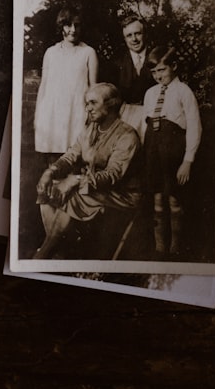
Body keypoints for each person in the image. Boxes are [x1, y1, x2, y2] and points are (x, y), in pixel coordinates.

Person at [33, 83, 142, 260]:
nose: (88, 108)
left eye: (93, 103)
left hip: (122, 193)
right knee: (48, 189)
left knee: (73, 193)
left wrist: (75, 180)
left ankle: (44, 255)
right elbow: (71, 155)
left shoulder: (127, 136)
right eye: (86, 103)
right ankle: (58, 249)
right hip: (93, 185)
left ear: (111, 104)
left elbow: (112, 175)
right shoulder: (91, 129)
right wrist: (50, 173)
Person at [142, 46, 202, 258]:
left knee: (174, 199)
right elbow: (145, 126)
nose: (158, 76)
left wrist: (188, 160)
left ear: (174, 66)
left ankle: (175, 245)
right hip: (152, 151)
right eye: (154, 72)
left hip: (174, 152)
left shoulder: (183, 91)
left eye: (162, 70)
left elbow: (194, 126)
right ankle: (160, 247)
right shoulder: (150, 93)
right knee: (157, 197)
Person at [34, 6, 98, 162]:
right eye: (68, 25)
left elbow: (94, 88)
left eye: (77, 25)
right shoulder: (51, 52)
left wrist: (91, 113)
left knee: (75, 160)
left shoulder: (88, 52)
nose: (73, 29)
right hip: (52, 114)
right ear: (61, 26)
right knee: (52, 163)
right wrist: (38, 114)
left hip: (76, 113)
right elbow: (44, 85)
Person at [106, 15, 156, 137]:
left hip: (153, 114)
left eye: (138, 33)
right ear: (124, 38)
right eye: (129, 35)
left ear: (145, 34)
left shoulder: (156, 58)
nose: (134, 39)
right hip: (126, 115)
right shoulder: (116, 62)